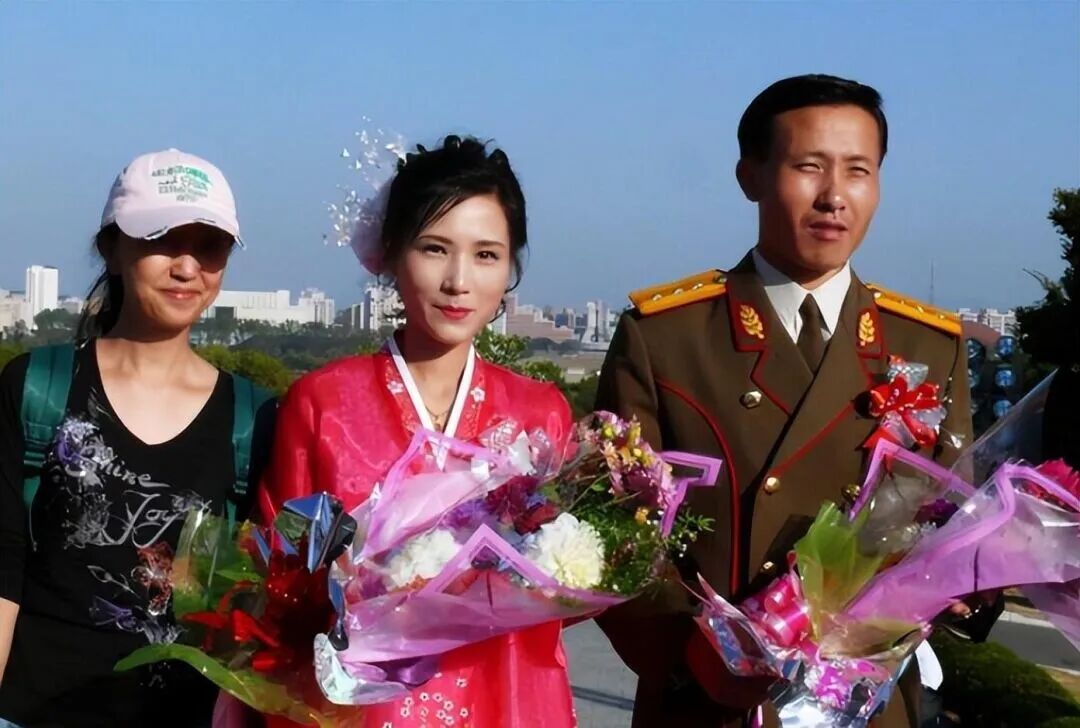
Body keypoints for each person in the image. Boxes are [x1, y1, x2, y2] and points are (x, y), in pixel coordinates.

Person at [594, 75, 991, 727]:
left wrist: (970, 577)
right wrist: (693, 651)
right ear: (749, 176)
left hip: (861, 706)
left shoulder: (925, 343)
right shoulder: (667, 337)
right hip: (711, 701)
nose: (834, 195)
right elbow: (611, 528)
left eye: (859, 170)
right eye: (809, 166)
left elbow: (953, 514)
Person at [261, 135, 577, 728]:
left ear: (511, 267)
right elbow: (276, 586)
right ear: (391, 252)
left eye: (487, 255)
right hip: (360, 706)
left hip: (507, 694)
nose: (459, 280)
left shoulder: (543, 414)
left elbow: (569, 587)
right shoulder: (322, 404)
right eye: (434, 249)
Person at [0, 149, 276, 727]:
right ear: (112, 248)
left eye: (210, 246)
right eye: (162, 240)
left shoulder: (253, 419)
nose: (187, 267)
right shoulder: (38, 388)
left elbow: (252, 609)